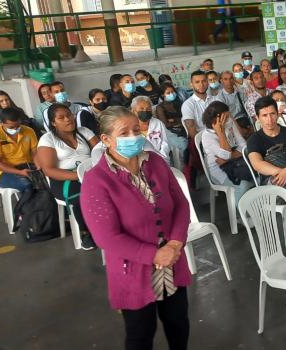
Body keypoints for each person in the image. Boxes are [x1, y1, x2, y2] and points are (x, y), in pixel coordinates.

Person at [80, 106, 191, 350]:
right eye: (124, 132)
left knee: (178, 323)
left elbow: (181, 204)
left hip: (172, 261)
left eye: (135, 129)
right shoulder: (97, 181)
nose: (134, 136)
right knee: (141, 334)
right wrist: (154, 254)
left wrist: (174, 243)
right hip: (133, 269)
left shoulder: (156, 164)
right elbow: (107, 238)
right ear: (107, 140)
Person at [37, 103, 99, 250]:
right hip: (63, 179)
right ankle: (86, 233)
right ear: (53, 122)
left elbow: (100, 151)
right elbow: (48, 170)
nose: (67, 119)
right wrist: (76, 176)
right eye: (61, 117)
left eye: (69, 115)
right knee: (83, 195)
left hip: (90, 173)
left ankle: (109, 225)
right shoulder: (48, 139)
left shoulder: (84, 131)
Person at [200, 101, 252, 204]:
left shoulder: (229, 124)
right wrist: (221, 132)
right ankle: (240, 216)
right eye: (226, 117)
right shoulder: (207, 136)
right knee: (243, 185)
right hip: (218, 170)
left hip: (235, 163)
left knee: (256, 177)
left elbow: (244, 146)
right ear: (217, 119)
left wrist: (230, 157)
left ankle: (255, 207)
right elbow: (226, 155)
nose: (230, 119)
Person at [0, 107, 39, 192]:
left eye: (18, 126)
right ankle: (30, 205)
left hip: (28, 165)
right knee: (27, 185)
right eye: (11, 127)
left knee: (45, 181)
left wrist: (39, 166)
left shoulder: (28, 131)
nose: (15, 129)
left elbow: (35, 153)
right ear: (2, 123)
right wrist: (19, 172)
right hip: (5, 171)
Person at [182, 70, 218, 138]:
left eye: (204, 81)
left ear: (207, 83)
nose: (201, 85)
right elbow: (192, 132)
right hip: (203, 139)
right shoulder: (188, 105)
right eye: (197, 82)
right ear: (191, 85)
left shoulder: (216, 100)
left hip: (221, 134)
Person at [132, 96, 170, 160]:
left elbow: (165, 143)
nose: (145, 111)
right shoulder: (130, 126)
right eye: (141, 108)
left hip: (161, 158)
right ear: (133, 111)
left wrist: (161, 158)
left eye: (148, 109)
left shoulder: (158, 123)